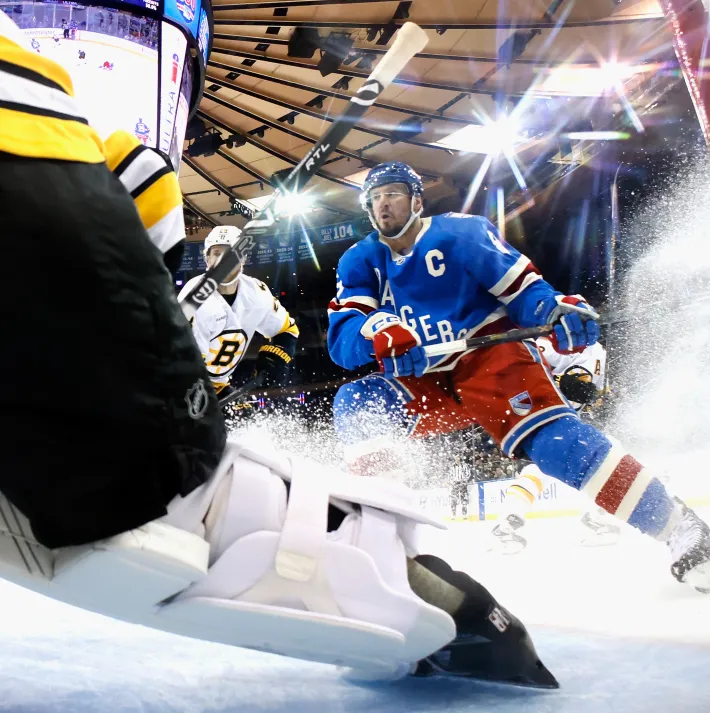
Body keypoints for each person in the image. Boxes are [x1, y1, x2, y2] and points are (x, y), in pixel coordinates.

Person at [0, 14, 552, 688]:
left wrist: (265, 357)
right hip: (130, 367)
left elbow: (287, 335)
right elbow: (145, 180)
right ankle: (191, 491)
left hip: (183, 375)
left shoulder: (255, 296)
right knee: (138, 471)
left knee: (141, 454)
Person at [329, 161, 710, 591]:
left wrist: (554, 310)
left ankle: (679, 527)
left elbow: (526, 293)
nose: (382, 203)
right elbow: (343, 341)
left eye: (391, 193)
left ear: (416, 199)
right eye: (374, 198)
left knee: (556, 443)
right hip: (423, 376)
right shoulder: (359, 260)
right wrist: (376, 333)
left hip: (487, 357)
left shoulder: (461, 233)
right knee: (356, 402)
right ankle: (387, 546)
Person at [490, 336, 622, 552]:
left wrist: (594, 393)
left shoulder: (597, 351)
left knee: (538, 468)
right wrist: (559, 382)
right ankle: (597, 520)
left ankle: (506, 524)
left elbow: (590, 393)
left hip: (563, 419)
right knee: (607, 455)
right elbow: (519, 369)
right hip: (549, 417)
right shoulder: (551, 344)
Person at [179, 225, 299, 404]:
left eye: (230, 254)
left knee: (248, 425)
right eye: (217, 252)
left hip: (217, 386)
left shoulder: (256, 292)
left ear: (242, 258)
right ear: (207, 259)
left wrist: (275, 360)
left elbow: (287, 330)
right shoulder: (195, 299)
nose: (223, 260)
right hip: (180, 386)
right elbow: (183, 364)